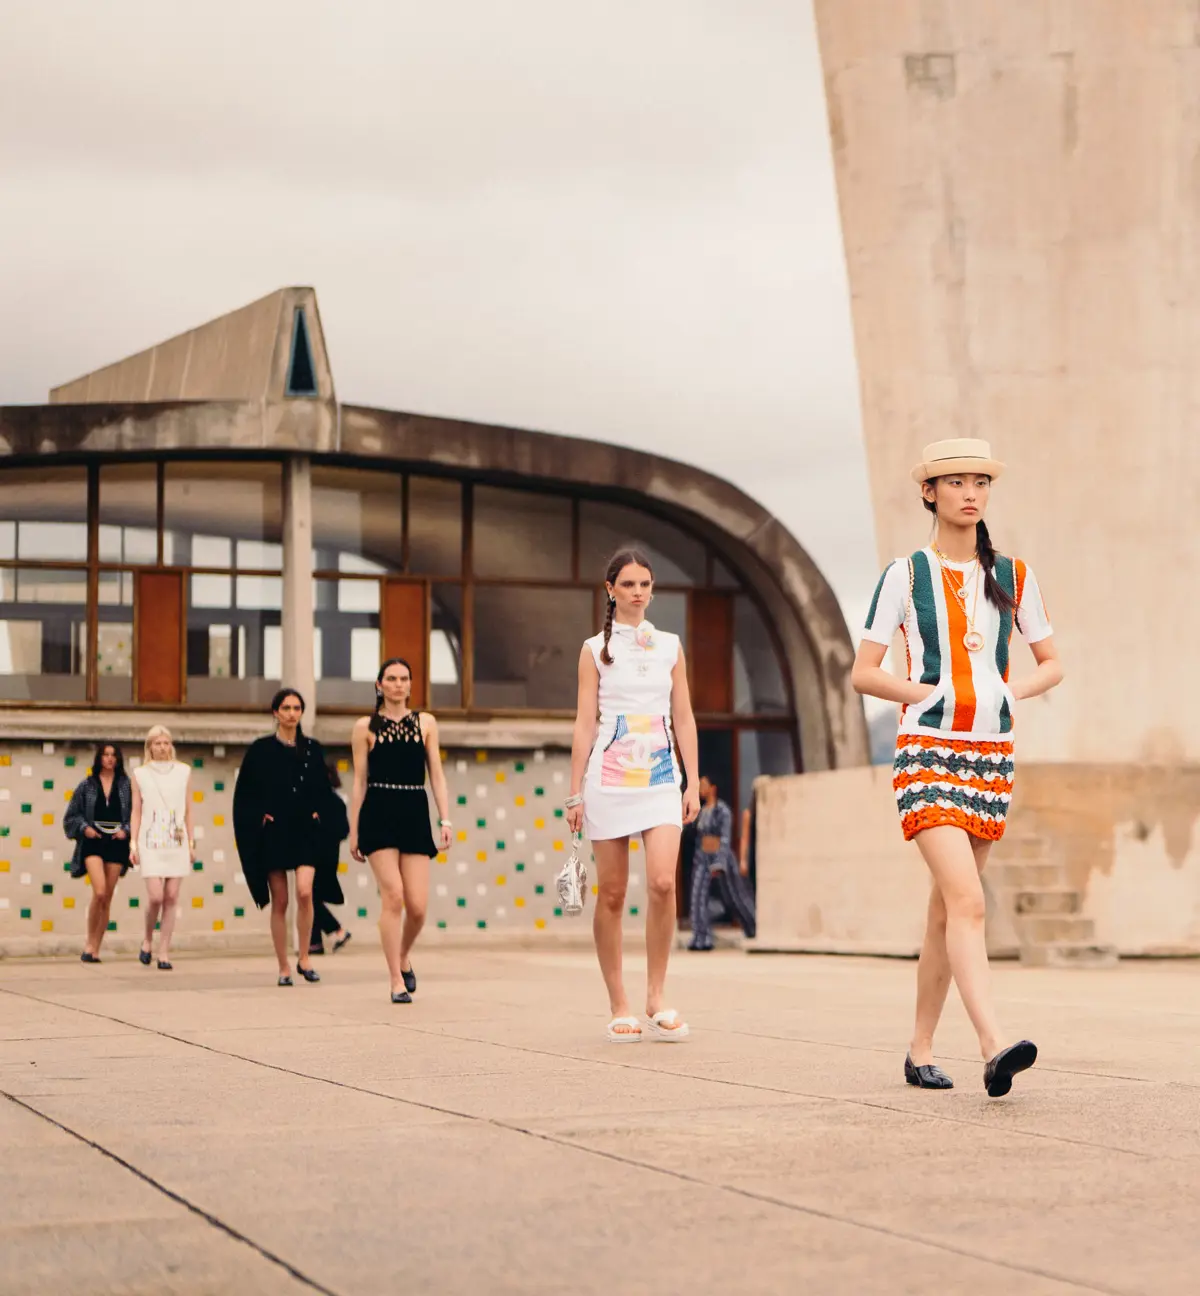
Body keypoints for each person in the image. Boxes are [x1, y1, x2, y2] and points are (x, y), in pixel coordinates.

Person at [852, 439, 1062, 1097]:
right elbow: (862, 670)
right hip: (927, 754)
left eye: (980, 482)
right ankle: (994, 1045)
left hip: (991, 756)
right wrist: (923, 693)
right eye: (955, 481)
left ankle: (918, 1051)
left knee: (947, 912)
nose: (970, 492)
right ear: (929, 493)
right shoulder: (905, 575)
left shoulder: (1015, 577)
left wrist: (1011, 692)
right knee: (967, 899)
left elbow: (1053, 662)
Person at [566, 548, 700, 1043]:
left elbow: (683, 716)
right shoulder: (592, 649)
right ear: (610, 590)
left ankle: (656, 996)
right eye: (628, 584)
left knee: (664, 882)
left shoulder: (669, 645)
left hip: (663, 774)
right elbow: (584, 723)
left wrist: (691, 779)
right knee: (615, 893)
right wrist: (573, 793)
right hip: (609, 775)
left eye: (645, 584)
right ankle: (618, 1001)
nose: (638, 592)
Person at [349, 658, 452, 1004]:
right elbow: (359, 782)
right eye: (390, 678)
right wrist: (353, 831)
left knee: (418, 907)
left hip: (413, 810)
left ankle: (403, 954)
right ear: (379, 685)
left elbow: (436, 774)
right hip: (378, 810)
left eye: (404, 678)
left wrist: (445, 819)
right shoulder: (365, 727)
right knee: (393, 895)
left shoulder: (426, 723)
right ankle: (396, 979)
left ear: (410, 684)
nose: (397, 684)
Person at [233, 689, 337, 987]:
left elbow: (324, 789)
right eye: (286, 707)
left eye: (297, 708)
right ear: (275, 712)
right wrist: (259, 816)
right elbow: (245, 794)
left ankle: (304, 956)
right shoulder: (260, 749)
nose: (292, 713)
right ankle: (283, 967)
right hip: (274, 832)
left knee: (305, 891)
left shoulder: (312, 749)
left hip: (305, 829)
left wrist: (319, 813)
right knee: (280, 900)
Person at [129, 726, 194, 970]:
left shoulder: (184, 771)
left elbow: (189, 808)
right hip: (150, 838)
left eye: (166, 743)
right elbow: (136, 811)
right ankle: (147, 939)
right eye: (157, 743)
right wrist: (133, 843)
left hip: (176, 839)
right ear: (149, 747)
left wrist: (191, 843)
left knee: (172, 896)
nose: (162, 747)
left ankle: (164, 951)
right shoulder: (140, 774)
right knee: (156, 895)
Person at [64, 742, 132, 964]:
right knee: (99, 892)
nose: (110, 759)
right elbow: (71, 815)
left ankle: (96, 947)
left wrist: (126, 830)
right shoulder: (87, 785)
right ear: (99, 758)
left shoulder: (126, 785)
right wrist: (85, 828)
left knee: (108, 897)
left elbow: (136, 815)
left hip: (116, 843)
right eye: (106, 755)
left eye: (113, 755)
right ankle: (89, 943)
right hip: (93, 842)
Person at [688, 774, 756, 949]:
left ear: (713, 788)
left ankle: (752, 926)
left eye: (704, 785)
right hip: (702, 857)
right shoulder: (702, 811)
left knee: (734, 894)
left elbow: (725, 838)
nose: (701, 789)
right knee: (697, 897)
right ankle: (701, 937)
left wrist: (720, 861)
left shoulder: (722, 810)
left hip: (720, 856)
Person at [307, 762, 352, 957]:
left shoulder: (320, 801)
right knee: (312, 895)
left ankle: (337, 930)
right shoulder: (338, 800)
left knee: (309, 897)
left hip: (316, 854)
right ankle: (314, 943)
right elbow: (344, 831)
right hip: (330, 854)